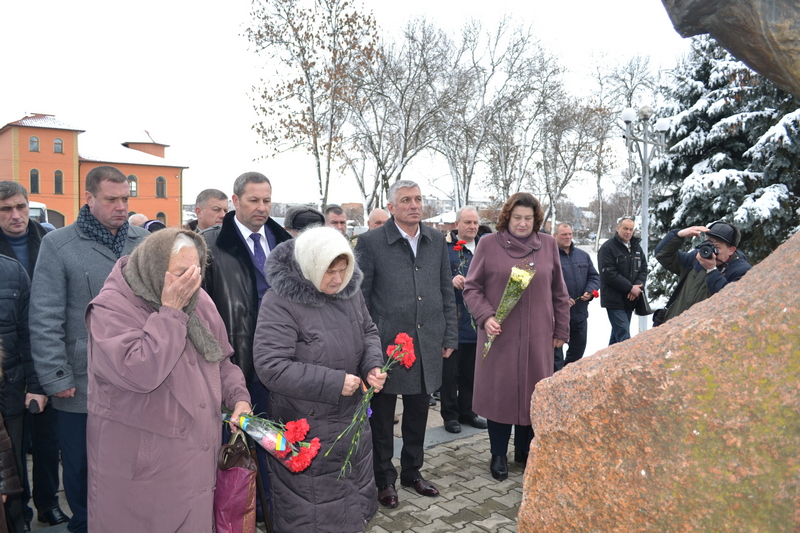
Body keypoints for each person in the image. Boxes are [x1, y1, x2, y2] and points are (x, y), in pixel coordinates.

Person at [85, 228, 251, 532]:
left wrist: (239, 398)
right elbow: (140, 372)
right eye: (179, 273)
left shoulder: (198, 298)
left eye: (195, 271)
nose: (189, 281)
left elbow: (222, 361)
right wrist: (170, 313)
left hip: (196, 461)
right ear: (154, 268)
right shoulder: (110, 308)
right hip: (143, 471)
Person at [29, 165, 150, 533]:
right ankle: (83, 526)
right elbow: (45, 315)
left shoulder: (143, 242)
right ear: (88, 197)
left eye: (125, 199)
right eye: (111, 199)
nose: (120, 207)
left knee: (132, 467)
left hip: (139, 378)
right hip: (82, 382)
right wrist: (55, 376)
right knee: (81, 469)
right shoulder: (58, 244)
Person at [253, 226, 386, 532]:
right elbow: (270, 366)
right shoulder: (280, 301)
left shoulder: (349, 294)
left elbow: (368, 332)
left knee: (352, 506)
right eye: (330, 271)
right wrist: (334, 382)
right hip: (307, 430)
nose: (338, 279)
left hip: (351, 424)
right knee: (311, 516)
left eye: (343, 270)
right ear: (311, 265)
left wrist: (373, 366)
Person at [355, 180, 458, 508]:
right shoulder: (371, 242)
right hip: (387, 347)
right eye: (406, 200)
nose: (414, 205)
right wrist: (368, 346)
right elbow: (361, 297)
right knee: (383, 418)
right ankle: (384, 478)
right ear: (392, 206)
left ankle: (413, 471)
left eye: (418, 199)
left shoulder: (437, 240)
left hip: (427, 341)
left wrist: (449, 335)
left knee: (418, 413)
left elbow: (446, 290)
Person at [202, 171, 291, 516]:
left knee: (275, 438)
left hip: (282, 360)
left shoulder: (284, 243)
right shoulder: (210, 245)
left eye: (267, 200)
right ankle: (238, 513)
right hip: (235, 362)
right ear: (235, 201)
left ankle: (274, 509)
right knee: (237, 444)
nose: (262, 207)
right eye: (254, 200)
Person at [463, 193, 570, 481]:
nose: (522, 224)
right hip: (500, 336)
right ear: (507, 218)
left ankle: (525, 450)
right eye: (517, 218)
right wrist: (486, 316)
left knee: (533, 394)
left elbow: (559, 291)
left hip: (538, 336)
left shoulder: (547, 245)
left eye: (528, 218)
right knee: (501, 395)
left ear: (536, 220)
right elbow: (471, 288)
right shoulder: (488, 244)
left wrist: (561, 328)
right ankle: (498, 453)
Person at [0, 182, 68, 528]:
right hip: (9, 358)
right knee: (12, 443)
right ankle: (19, 509)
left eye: (21, 207)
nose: (16, 215)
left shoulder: (48, 240)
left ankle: (47, 502)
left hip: (48, 350)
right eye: (6, 209)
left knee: (47, 438)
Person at [440, 206, 487, 434]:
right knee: (450, 372)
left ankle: (468, 410)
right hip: (454, 319)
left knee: (472, 371)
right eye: (467, 222)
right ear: (457, 224)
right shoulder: (445, 248)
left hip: (478, 319)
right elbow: (433, 277)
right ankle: (450, 415)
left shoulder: (484, 248)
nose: (472, 227)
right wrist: (450, 280)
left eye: (475, 223)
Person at [654, 221, 751, 323]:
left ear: (731, 250)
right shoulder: (697, 259)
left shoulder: (742, 271)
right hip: (672, 327)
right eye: (708, 244)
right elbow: (663, 255)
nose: (711, 251)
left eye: (716, 247)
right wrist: (678, 235)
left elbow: (732, 302)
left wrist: (712, 270)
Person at [554, 223, 600, 371]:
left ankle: (567, 378)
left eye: (570, 234)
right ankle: (554, 382)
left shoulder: (583, 255)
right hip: (557, 317)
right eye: (564, 234)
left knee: (578, 352)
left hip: (579, 314)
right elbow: (544, 285)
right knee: (555, 356)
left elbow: (594, 277)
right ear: (555, 236)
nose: (568, 237)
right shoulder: (549, 257)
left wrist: (589, 291)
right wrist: (560, 300)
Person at [598, 216, 648, 345]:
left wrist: (637, 286)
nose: (628, 232)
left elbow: (643, 268)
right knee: (624, 335)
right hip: (614, 300)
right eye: (625, 228)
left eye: (631, 229)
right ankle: (627, 364)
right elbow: (608, 274)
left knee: (617, 337)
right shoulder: (608, 248)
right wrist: (630, 287)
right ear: (618, 228)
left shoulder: (636, 247)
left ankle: (609, 362)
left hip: (630, 299)